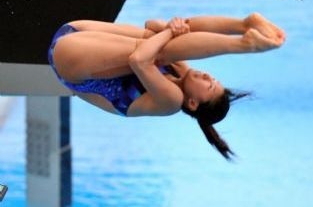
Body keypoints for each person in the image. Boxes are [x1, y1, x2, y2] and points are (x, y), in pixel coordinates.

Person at [48, 13, 285, 159]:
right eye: (214, 79)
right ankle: (242, 25)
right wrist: (169, 29)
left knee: (161, 48)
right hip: (78, 32)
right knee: (165, 41)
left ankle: (243, 43)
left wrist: (170, 30)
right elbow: (151, 24)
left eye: (209, 86)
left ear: (192, 103)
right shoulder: (179, 70)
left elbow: (139, 60)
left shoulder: (171, 100)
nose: (208, 76)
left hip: (69, 62)